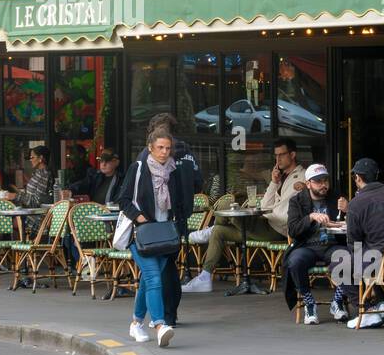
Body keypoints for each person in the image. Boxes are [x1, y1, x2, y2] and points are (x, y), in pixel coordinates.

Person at [182, 137, 303, 294]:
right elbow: (265, 205)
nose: (277, 159)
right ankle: (204, 278)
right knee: (219, 230)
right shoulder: (279, 176)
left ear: (292, 155)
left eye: (282, 155)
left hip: (277, 228)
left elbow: (277, 208)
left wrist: (304, 186)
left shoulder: (303, 175)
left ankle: (208, 230)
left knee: (227, 206)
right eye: (276, 155)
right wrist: (274, 182)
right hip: (264, 223)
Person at [119, 129, 194, 348]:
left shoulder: (173, 171)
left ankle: (136, 322)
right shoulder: (139, 169)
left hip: (165, 235)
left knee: (147, 281)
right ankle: (160, 325)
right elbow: (123, 200)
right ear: (150, 148)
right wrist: (138, 216)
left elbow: (179, 203)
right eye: (160, 147)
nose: (164, 152)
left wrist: (179, 228)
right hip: (141, 234)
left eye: (168, 148)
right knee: (153, 278)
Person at [135, 113, 203, 325]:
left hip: (157, 220)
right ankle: (169, 313)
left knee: (159, 269)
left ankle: (161, 316)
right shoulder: (188, 153)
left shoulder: (150, 156)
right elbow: (198, 183)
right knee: (169, 264)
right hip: (180, 218)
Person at [332, 158, 384, 329]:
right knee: (368, 257)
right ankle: (382, 303)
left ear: (358, 178)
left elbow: (354, 243)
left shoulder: (356, 203)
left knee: (339, 265)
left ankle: (368, 311)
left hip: (381, 261)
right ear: (376, 175)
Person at [283, 163, 341, 324]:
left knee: (347, 257)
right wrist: (310, 217)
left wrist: (349, 209)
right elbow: (293, 230)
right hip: (307, 245)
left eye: (325, 181)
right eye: (318, 181)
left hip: (332, 244)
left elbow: (349, 223)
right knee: (295, 261)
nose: (323, 185)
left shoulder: (335, 197)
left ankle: (338, 301)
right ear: (308, 184)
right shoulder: (297, 201)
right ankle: (309, 302)